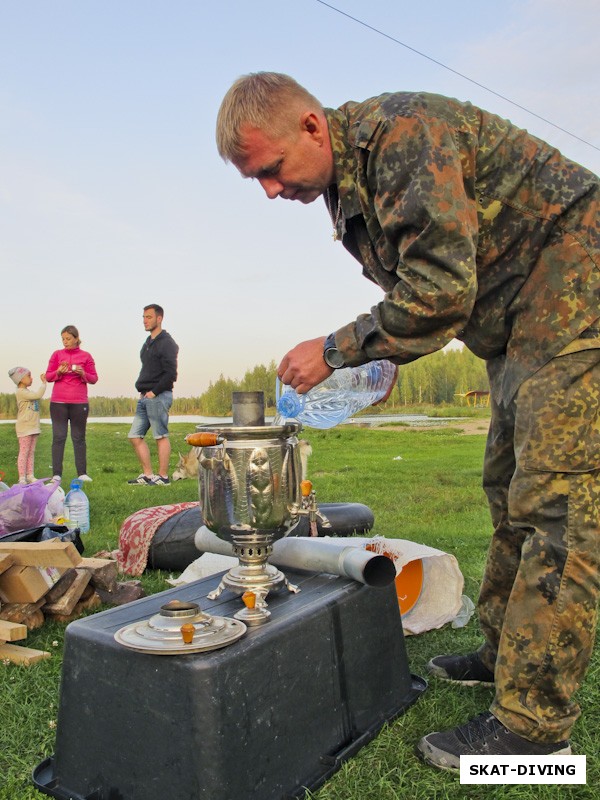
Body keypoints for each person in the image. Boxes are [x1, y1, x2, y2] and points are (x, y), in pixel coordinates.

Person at [216, 73, 599, 769]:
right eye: (256, 182)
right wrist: (382, 355)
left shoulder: (401, 134)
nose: (271, 191)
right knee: (506, 492)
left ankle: (536, 732)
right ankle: (504, 655)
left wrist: (336, 350)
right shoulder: (348, 184)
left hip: (579, 304)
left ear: (309, 126)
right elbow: (428, 285)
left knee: (558, 509)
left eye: (270, 169)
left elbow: (442, 292)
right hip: (524, 325)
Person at [127, 304, 179, 486]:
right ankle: (148, 475)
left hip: (158, 395)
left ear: (159, 318)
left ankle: (163, 477)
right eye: (143, 317)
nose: (145, 320)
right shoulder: (147, 343)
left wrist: (154, 392)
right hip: (145, 396)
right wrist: (145, 394)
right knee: (134, 436)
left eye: (148, 317)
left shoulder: (167, 343)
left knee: (160, 436)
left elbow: (171, 374)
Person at [45, 325, 98, 483]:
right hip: (58, 402)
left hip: (79, 402)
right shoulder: (57, 354)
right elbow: (48, 376)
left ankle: (82, 473)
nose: (65, 342)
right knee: (59, 437)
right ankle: (56, 474)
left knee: (79, 438)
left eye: (68, 339)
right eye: (63, 339)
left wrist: (83, 374)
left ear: (76, 338)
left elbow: (94, 378)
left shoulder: (86, 356)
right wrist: (58, 373)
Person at [8, 366, 47, 484]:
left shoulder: (27, 392)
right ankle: (22, 478)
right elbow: (38, 395)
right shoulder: (21, 392)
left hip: (33, 427)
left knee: (31, 452)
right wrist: (44, 383)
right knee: (24, 452)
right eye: (28, 376)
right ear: (20, 379)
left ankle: (30, 475)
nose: (31, 378)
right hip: (25, 428)